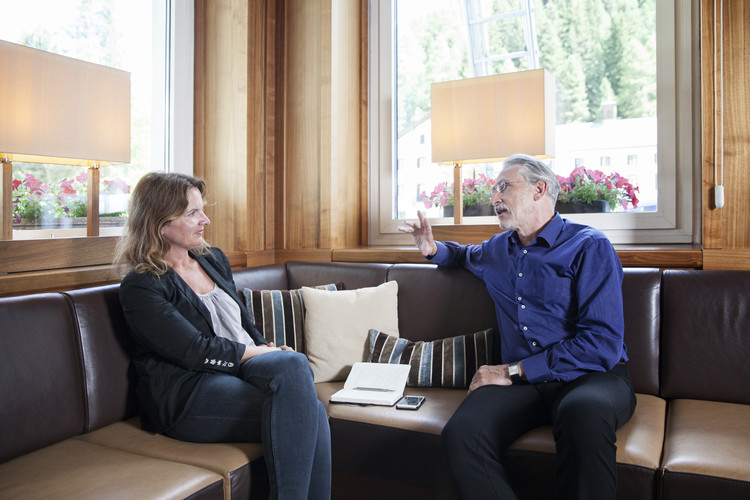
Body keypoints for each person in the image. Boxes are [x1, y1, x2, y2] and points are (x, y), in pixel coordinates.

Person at [399, 154, 636, 499]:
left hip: (590, 376)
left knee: (582, 414)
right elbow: (463, 255)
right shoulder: (497, 249)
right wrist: (433, 249)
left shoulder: (589, 246)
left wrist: (515, 369)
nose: (494, 198)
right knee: (462, 433)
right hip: (522, 385)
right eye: (495, 190)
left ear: (540, 189)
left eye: (503, 187)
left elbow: (602, 344)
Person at [115, 172, 331, 500]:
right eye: (192, 213)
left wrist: (263, 347)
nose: (205, 219)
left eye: (202, 209)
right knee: (311, 411)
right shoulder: (142, 285)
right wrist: (259, 354)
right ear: (160, 222)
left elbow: (241, 320)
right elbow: (193, 350)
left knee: (293, 366)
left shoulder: (211, 258)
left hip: (238, 367)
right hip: (188, 392)